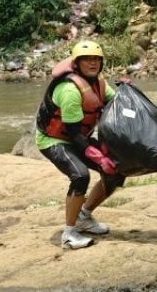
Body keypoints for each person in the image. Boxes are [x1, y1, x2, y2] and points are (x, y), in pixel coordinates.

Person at [35, 40, 126, 250]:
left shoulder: (99, 82)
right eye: (87, 60)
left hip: (77, 137)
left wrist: (129, 94)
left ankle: (84, 216)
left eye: (96, 59)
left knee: (116, 171)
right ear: (77, 63)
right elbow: (75, 135)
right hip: (55, 140)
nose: (92, 63)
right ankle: (69, 234)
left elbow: (115, 103)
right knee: (80, 175)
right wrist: (99, 158)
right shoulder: (70, 90)